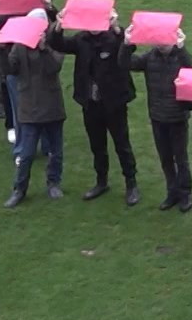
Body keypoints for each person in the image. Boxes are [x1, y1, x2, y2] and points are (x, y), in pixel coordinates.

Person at [48, 15, 140, 206]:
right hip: (91, 103)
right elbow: (58, 44)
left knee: (122, 144)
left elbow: (129, 46)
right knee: (97, 145)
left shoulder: (113, 38)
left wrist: (117, 28)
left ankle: (131, 183)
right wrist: (58, 26)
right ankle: (101, 181)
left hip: (114, 103)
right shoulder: (81, 40)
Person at [125, 25, 192, 213]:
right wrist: (126, 44)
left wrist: (182, 48)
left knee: (181, 158)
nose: (161, 44)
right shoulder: (150, 58)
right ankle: (172, 192)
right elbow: (126, 63)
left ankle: (185, 193)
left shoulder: (180, 57)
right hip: (157, 117)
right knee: (165, 158)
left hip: (177, 117)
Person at [4, 8, 66, 208]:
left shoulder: (54, 43)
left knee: (56, 151)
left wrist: (44, 49)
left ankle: (53, 183)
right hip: (30, 108)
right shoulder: (20, 45)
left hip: (52, 106)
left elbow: (54, 67)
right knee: (27, 154)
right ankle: (19, 189)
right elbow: (10, 69)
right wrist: (3, 50)